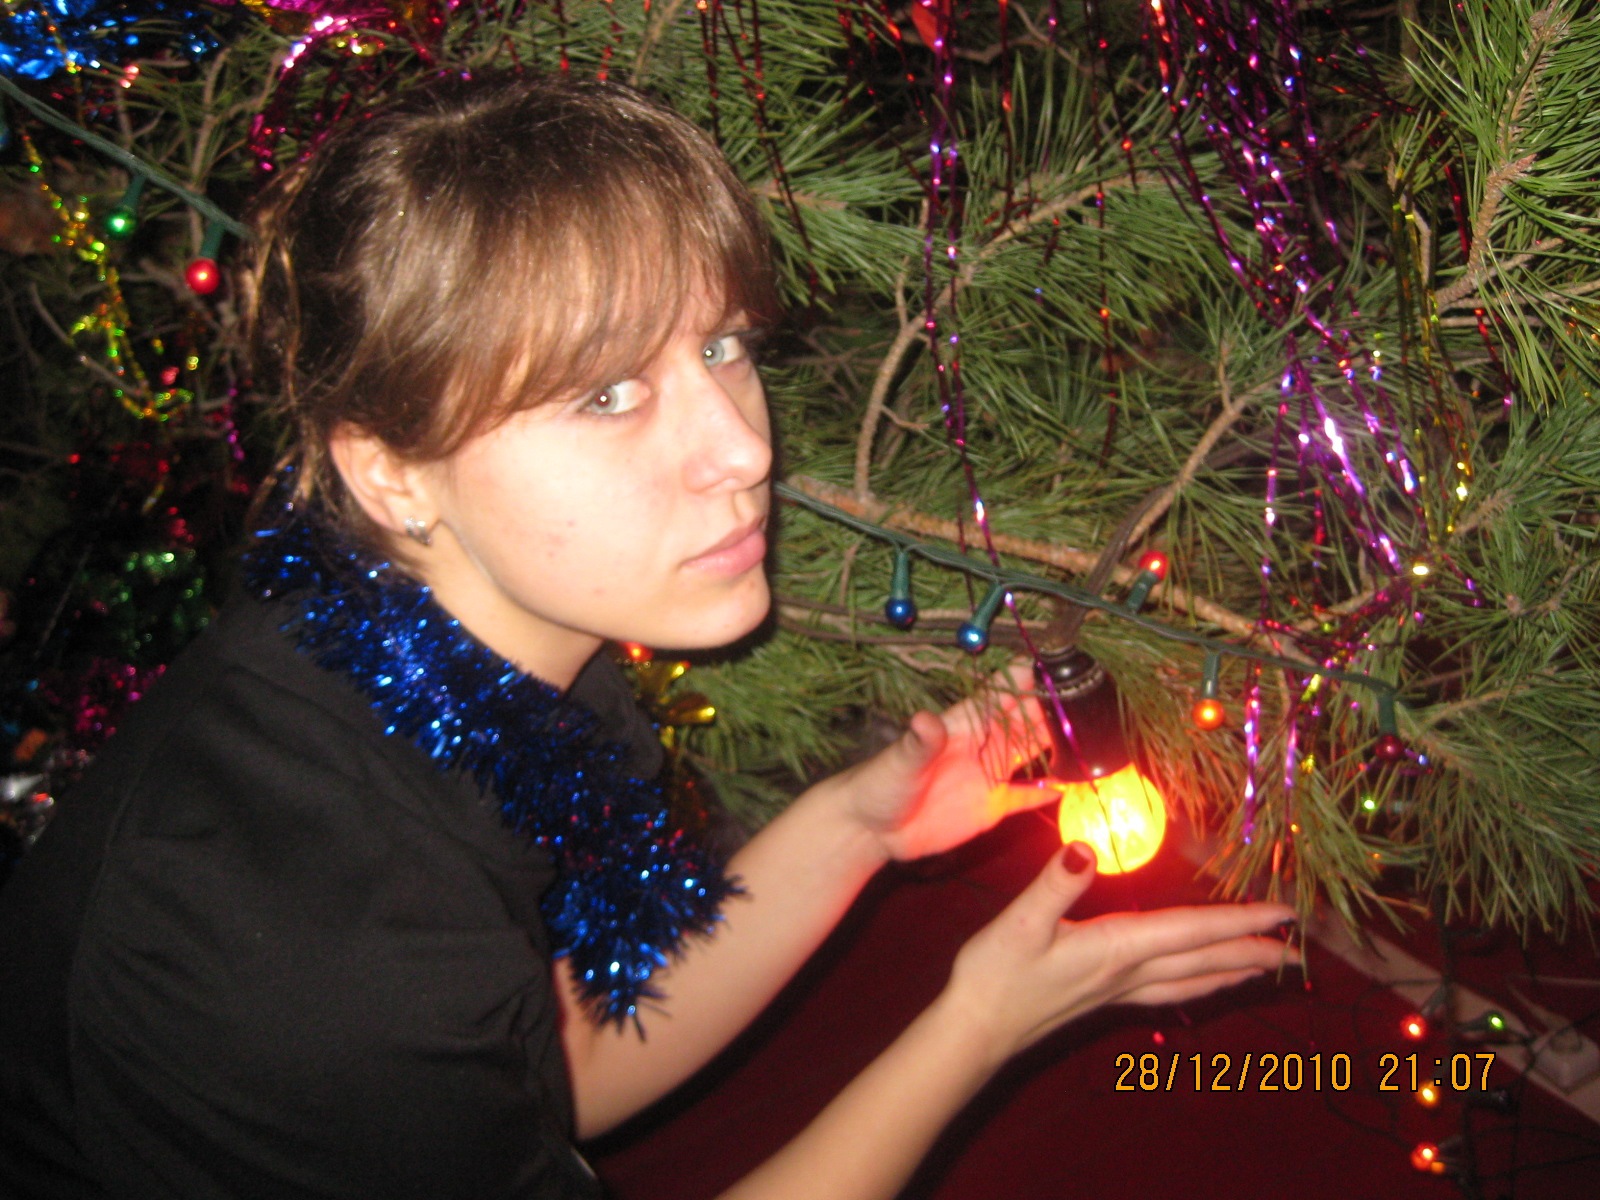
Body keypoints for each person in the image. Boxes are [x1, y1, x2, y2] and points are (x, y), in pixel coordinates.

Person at [0, 73, 1295, 1200]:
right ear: (390, 470)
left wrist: (862, 826)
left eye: (722, 345)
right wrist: (981, 1023)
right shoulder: (313, 952)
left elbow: (560, 1064)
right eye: (608, 394)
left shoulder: (460, 660)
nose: (742, 449)